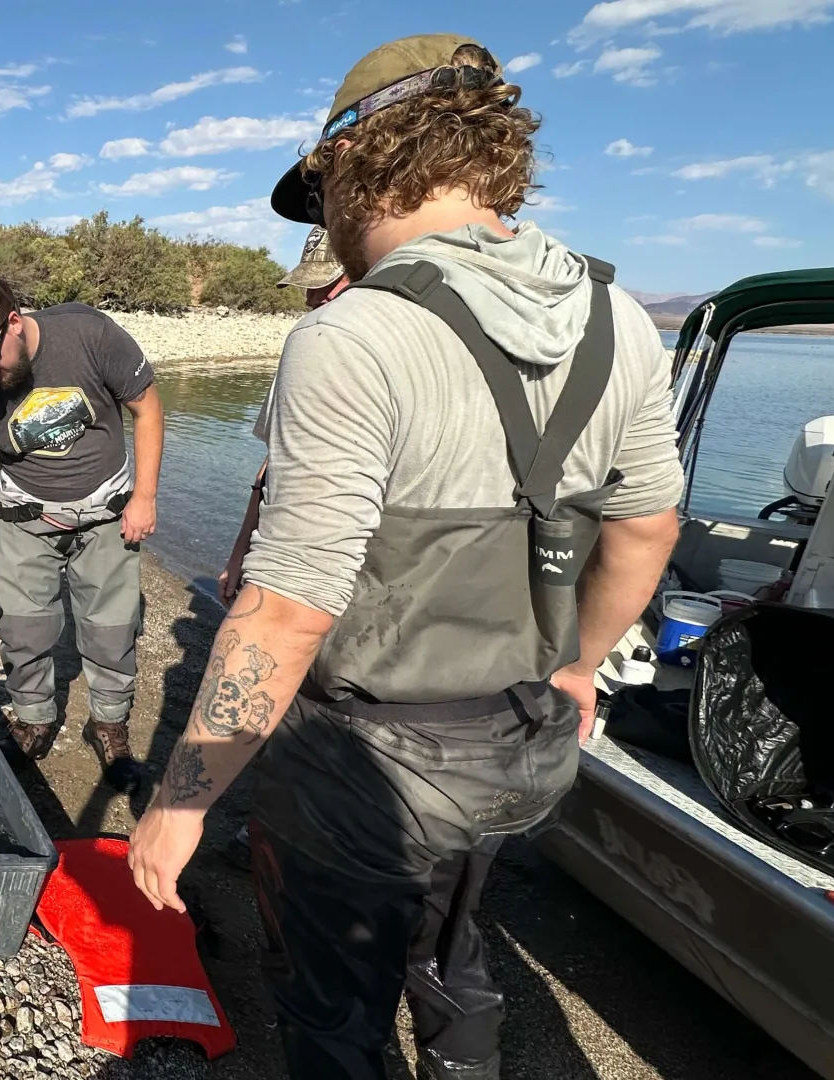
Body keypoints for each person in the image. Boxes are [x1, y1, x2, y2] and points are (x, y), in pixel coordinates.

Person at [127, 35, 683, 1080]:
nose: (323, 223)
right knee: (450, 950)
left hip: (370, 766)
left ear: (353, 159)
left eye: (317, 192)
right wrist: (578, 665)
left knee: (332, 1009)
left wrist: (182, 801)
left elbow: (287, 610)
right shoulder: (621, 320)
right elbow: (649, 526)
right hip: (525, 740)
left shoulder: (355, 335)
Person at [0, 275, 165, 787]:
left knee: (111, 626)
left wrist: (145, 497)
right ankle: (34, 721)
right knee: (22, 626)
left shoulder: (89, 334)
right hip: (26, 515)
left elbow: (147, 407)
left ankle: (108, 723)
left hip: (106, 508)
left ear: (14, 323)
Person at [217, 225, 349, 873]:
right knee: (285, 695)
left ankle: (302, 834)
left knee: (329, 704)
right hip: (287, 553)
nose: (314, 300)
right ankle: (271, 830)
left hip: (346, 566)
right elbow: (272, 465)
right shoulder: (311, 341)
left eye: (327, 287)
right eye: (309, 289)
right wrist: (241, 548)